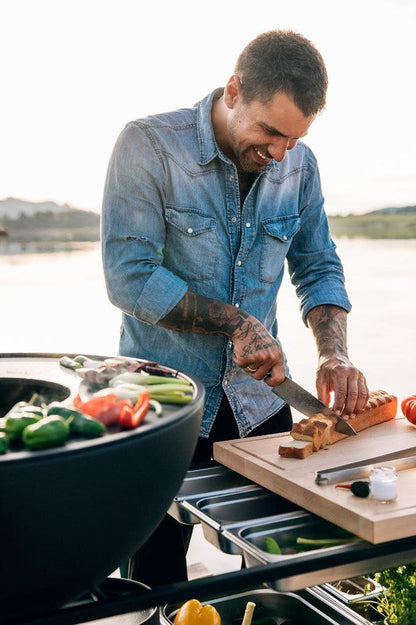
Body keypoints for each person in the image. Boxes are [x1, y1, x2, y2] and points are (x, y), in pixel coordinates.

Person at [102, 29, 369, 586]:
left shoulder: (299, 168)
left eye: (292, 139)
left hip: (259, 402)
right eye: (269, 131)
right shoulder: (148, 146)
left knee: (287, 566)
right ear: (233, 90)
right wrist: (237, 322)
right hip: (161, 407)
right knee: (156, 579)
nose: (278, 154)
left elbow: (317, 265)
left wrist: (333, 355)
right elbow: (128, 278)